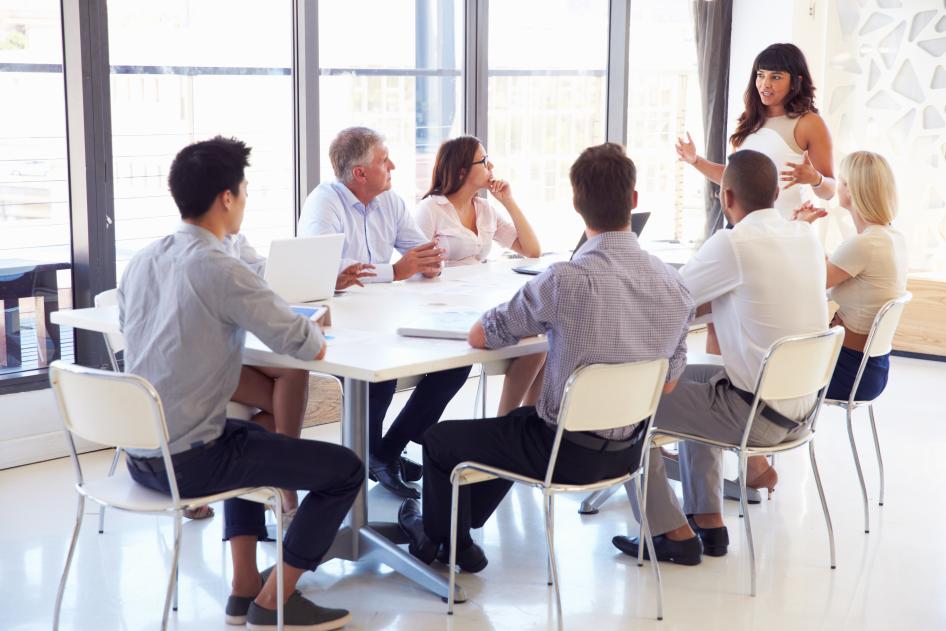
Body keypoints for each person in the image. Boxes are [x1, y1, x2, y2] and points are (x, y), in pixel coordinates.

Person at [396, 143, 694, 573]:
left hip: (561, 451)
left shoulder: (563, 281)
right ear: (633, 200)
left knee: (443, 439)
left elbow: (482, 335)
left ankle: (440, 541)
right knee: (511, 426)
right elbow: (666, 382)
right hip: (629, 452)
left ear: (576, 203)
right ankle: (455, 532)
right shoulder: (675, 284)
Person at [119, 136, 360, 630]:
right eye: (245, 191)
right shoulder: (220, 266)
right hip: (190, 463)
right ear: (226, 198)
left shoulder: (145, 259)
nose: (246, 200)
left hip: (142, 454)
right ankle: (275, 603)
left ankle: (243, 586)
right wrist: (314, 321)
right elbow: (307, 346)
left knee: (251, 434)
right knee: (346, 471)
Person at [612, 149, 828, 566]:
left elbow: (666, 302)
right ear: (775, 191)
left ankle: (667, 531)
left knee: (628, 404)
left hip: (756, 415)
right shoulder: (804, 236)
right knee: (693, 379)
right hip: (800, 408)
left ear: (726, 197)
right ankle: (708, 522)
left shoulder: (734, 243)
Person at [299, 126, 471, 499]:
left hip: (383, 315)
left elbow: (418, 249)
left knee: (458, 363)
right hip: (340, 324)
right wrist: (394, 271)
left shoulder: (389, 201)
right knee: (382, 375)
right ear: (359, 173)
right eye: (383, 160)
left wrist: (430, 260)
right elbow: (323, 267)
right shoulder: (324, 204)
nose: (392, 165)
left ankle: (385, 451)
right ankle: (372, 461)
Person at [415, 135, 544, 416]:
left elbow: (531, 250)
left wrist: (508, 201)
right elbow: (413, 267)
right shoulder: (431, 209)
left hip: (479, 301)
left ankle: (513, 420)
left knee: (539, 340)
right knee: (534, 338)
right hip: (442, 307)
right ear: (462, 170)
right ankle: (506, 425)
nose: (491, 166)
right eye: (484, 161)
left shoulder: (485, 209)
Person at [676, 43, 836, 220]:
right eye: (760, 75)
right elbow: (734, 178)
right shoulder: (749, 121)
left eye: (775, 77)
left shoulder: (809, 123)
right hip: (743, 229)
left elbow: (829, 192)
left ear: (796, 82)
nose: (765, 84)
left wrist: (816, 179)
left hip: (786, 231)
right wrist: (695, 160)